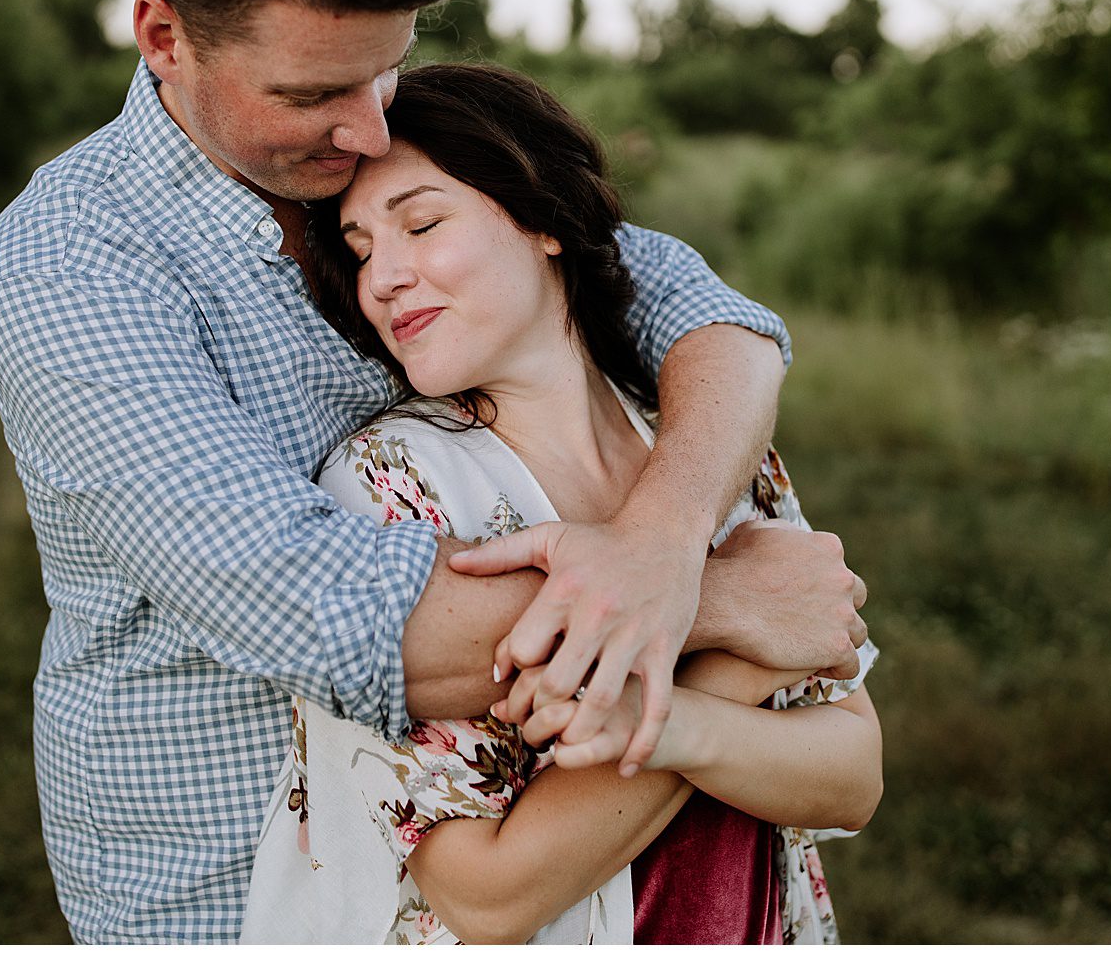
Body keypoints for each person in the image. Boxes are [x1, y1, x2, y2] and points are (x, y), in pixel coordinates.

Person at [0, 0, 865, 942]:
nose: (369, 131)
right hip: (235, 892)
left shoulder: (373, 158)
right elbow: (332, 614)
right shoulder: (71, 270)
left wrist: (662, 542)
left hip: (559, 842)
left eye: (387, 70)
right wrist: (734, 601)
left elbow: (704, 315)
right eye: (313, 92)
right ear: (163, 36)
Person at [238, 63, 881, 944]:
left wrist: (662, 719)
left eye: (421, 223)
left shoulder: (704, 443)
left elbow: (852, 775)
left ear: (540, 217)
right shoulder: (390, 486)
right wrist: (746, 640)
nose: (382, 276)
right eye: (358, 250)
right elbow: (490, 892)